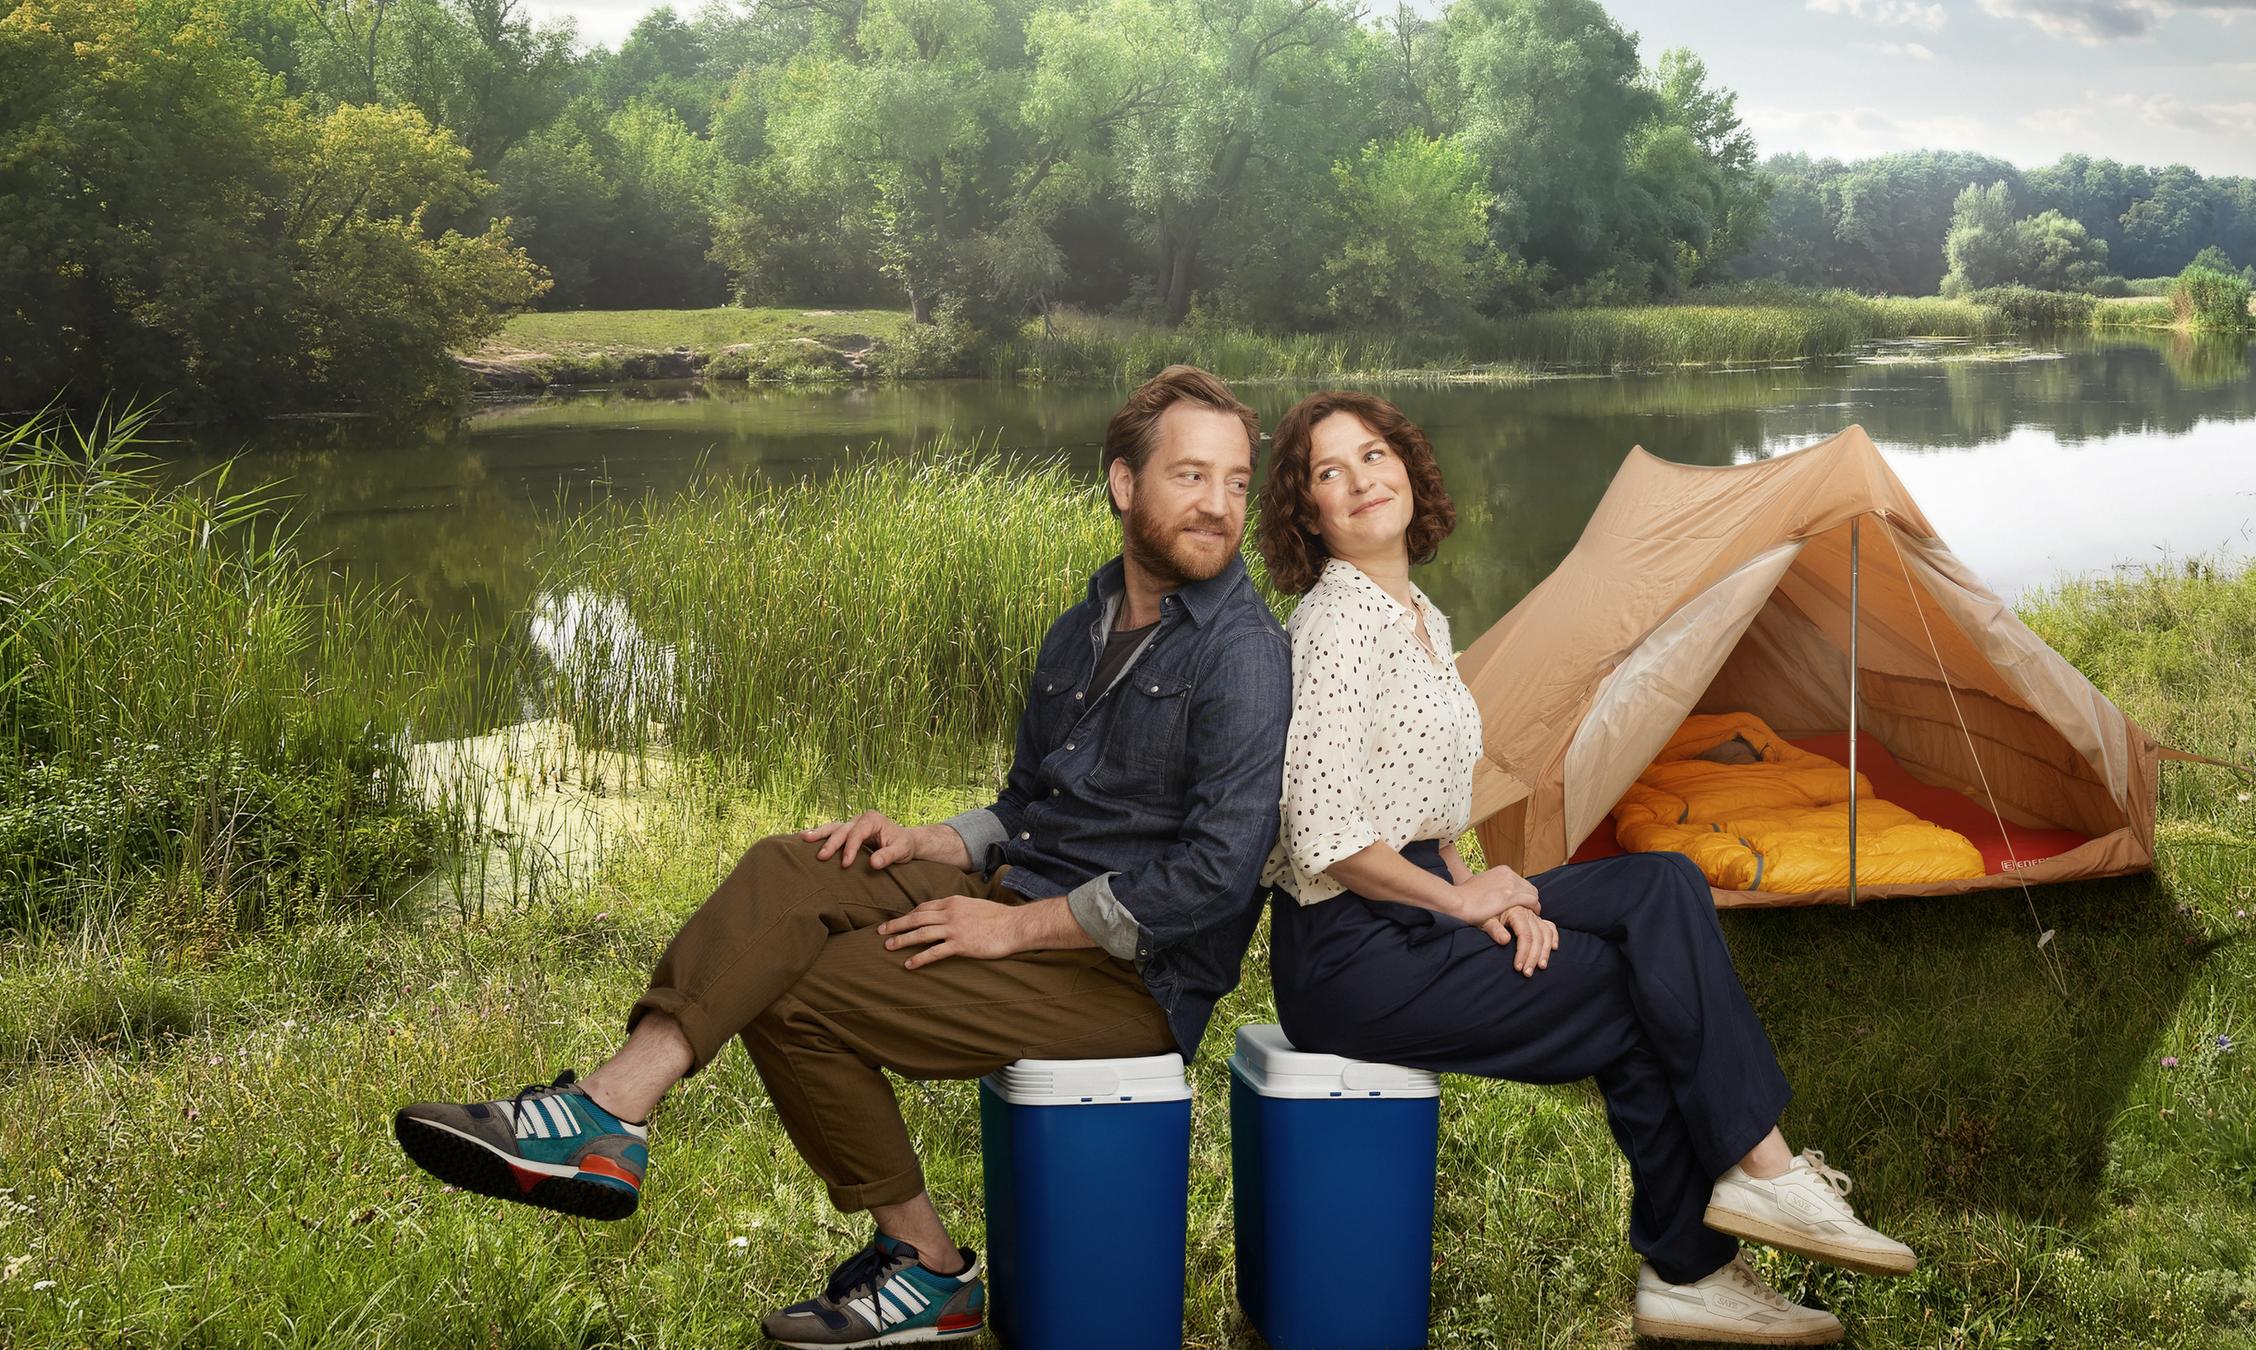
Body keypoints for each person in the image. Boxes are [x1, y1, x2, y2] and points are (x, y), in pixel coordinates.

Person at [393, 366, 1293, 1348]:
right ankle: (610, 1113)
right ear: (1125, 484)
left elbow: (1217, 872)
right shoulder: (1083, 628)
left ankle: (928, 1270)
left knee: (795, 986)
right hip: (1022, 892)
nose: (1219, 506)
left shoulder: (1243, 652)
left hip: (1133, 984)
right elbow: (1024, 807)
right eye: (1192, 477)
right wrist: (925, 841)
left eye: (1237, 482)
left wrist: (1009, 928)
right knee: (789, 867)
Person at [1254, 390, 1914, 1347]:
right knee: (1629, 988)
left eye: (1373, 454)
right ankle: (1722, 1233)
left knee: (1665, 885)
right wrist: (1459, 898)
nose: (1360, 480)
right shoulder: (1334, 625)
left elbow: (1421, 812)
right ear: (1307, 512)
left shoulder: (1421, 621)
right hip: (1350, 956)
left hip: (1415, 911)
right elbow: (1323, 832)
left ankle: (1742, 1200)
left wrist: (1486, 899)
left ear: (1407, 466)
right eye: (1328, 472)